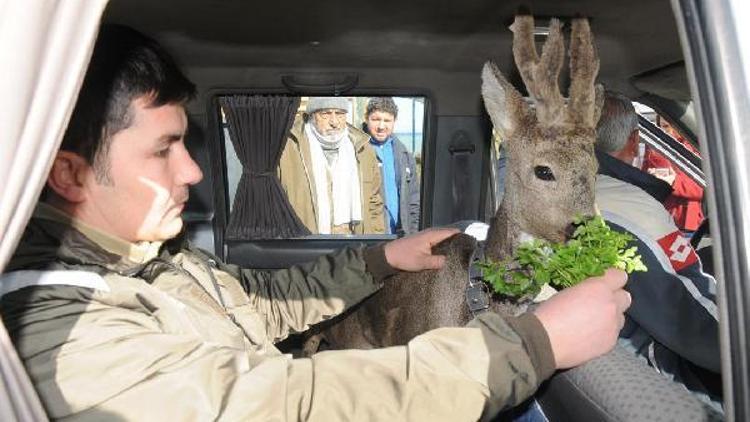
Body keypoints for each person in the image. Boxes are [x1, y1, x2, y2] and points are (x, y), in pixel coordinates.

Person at [0, 25, 630, 421]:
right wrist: (533, 345)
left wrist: (381, 259)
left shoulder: (146, 258)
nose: (193, 173)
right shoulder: (56, 333)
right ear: (70, 174)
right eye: (164, 150)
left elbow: (261, 303)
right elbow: (286, 406)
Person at [594, 92, 722, 409]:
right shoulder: (632, 208)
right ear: (634, 140)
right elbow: (698, 322)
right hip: (664, 387)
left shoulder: (559, 198)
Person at [278, 97, 385, 234]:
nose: (334, 122)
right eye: (326, 114)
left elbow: (374, 203)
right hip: (306, 242)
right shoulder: (288, 149)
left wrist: (375, 240)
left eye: (340, 114)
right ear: (312, 115)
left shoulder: (363, 149)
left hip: (354, 240)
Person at [364, 97, 420, 235]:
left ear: (395, 121)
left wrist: (413, 234)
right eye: (376, 119)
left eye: (387, 120)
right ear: (366, 118)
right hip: (368, 236)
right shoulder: (356, 150)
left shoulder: (405, 155)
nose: (381, 126)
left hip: (399, 236)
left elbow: (414, 200)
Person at [641, 117, 705, 233]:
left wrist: (675, 181)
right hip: (661, 217)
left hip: (688, 221)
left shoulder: (696, 145)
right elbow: (645, 178)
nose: (667, 132)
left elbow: (704, 188)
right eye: (663, 126)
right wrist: (650, 178)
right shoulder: (654, 144)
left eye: (671, 127)